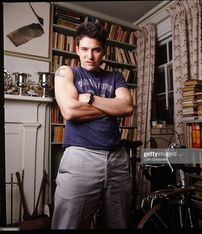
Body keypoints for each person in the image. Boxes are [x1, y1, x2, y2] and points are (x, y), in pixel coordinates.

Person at [51, 22, 134, 229]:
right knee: (68, 225)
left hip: (117, 159)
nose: (90, 55)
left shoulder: (115, 76)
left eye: (96, 49)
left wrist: (90, 99)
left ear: (104, 51)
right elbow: (70, 110)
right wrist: (111, 107)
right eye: (85, 49)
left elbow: (127, 107)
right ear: (76, 49)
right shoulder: (66, 72)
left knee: (119, 224)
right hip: (80, 158)